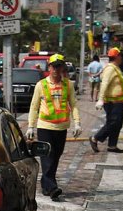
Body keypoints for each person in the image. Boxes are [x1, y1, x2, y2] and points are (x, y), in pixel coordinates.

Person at [25, 53, 82, 202]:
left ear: (63, 67)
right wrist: (31, 126)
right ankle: (52, 187)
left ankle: (45, 185)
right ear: (49, 67)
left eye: (59, 66)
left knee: (56, 157)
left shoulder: (68, 85)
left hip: (61, 128)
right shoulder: (41, 85)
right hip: (45, 127)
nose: (56, 69)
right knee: (47, 157)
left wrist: (77, 122)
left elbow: (74, 104)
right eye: (53, 66)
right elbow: (34, 106)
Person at [89, 47, 123, 153]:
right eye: (120, 56)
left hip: (119, 101)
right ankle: (95, 138)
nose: (122, 58)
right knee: (113, 123)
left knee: (118, 123)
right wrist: (100, 99)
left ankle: (112, 145)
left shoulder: (116, 67)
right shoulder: (111, 68)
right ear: (117, 57)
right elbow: (105, 83)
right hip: (113, 102)